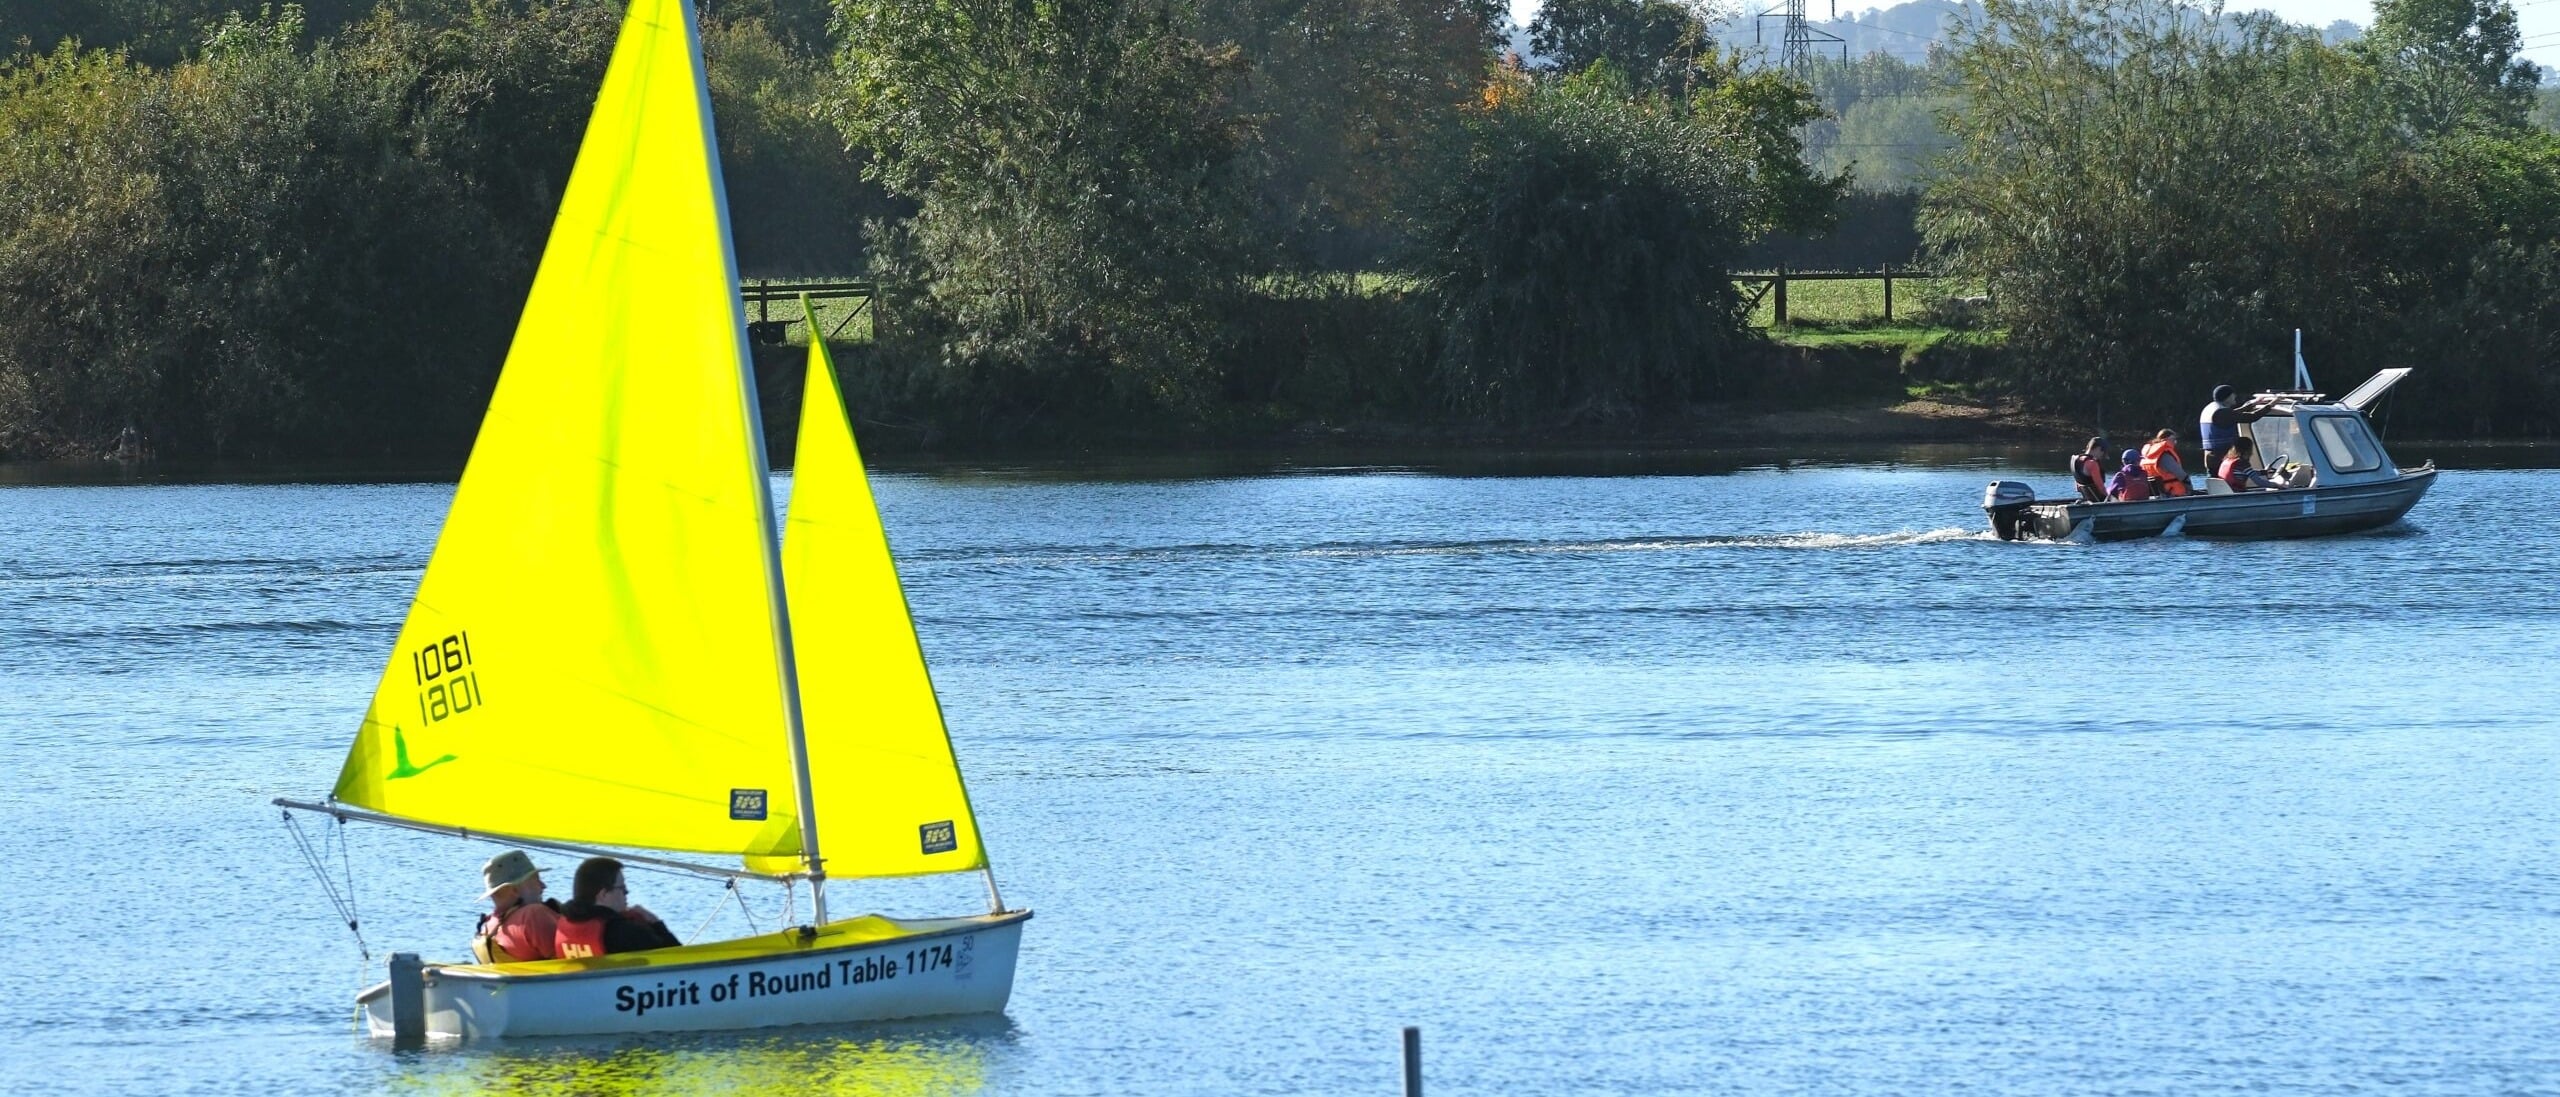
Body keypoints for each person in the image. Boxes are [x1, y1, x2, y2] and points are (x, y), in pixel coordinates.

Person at [554, 857, 681, 959]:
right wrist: (656, 923)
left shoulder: (564, 924)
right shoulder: (626, 933)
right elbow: (678, 959)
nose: (627, 892)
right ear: (603, 894)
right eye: (622, 888)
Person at [472, 850, 560, 963]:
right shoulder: (533, 916)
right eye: (536, 880)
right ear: (514, 890)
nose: (543, 886)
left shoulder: (487, 929)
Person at [2198, 384, 2273, 474]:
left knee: (2216, 483)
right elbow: (2252, 417)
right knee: (2225, 483)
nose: (2235, 396)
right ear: (2227, 397)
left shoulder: (2211, 408)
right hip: (2221, 459)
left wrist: (2254, 404)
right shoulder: (2221, 412)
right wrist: (2271, 405)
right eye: (2233, 394)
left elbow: (2233, 414)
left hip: (2211, 458)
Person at [2216, 436, 2282, 492]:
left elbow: (2248, 472)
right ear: (2247, 450)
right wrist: (2277, 485)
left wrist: (2263, 472)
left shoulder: (2227, 460)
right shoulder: (2243, 463)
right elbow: (2260, 482)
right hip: (2238, 494)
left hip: (2229, 492)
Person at [2140, 429, 2192, 496]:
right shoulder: (2165, 455)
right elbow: (2181, 475)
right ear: (2166, 440)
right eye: (2173, 439)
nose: (2175, 442)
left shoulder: (2149, 456)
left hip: (2157, 493)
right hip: (2173, 492)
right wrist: (2190, 489)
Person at [2069, 436, 2109, 502]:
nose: (2102, 456)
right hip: (2099, 501)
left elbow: (2077, 488)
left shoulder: (2075, 461)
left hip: (2088, 499)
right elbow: (2101, 488)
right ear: (2098, 449)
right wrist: (2112, 498)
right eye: (2103, 452)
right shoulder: (2092, 464)